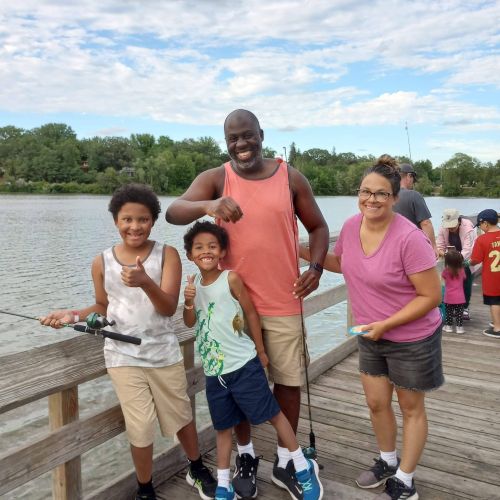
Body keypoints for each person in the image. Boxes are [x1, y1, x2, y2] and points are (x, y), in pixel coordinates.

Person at [165, 109, 329, 498]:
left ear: (261, 134)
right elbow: (172, 211)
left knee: (288, 384)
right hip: (232, 309)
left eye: (248, 136)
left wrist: (318, 267)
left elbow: (319, 227)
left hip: (284, 298)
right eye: (233, 138)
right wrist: (209, 205)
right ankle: (247, 455)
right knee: (238, 384)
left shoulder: (291, 177)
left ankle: (288, 464)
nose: (241, 145)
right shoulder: (217, 178)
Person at [40, 184, 216, 500]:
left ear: (153, 221)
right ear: (116, 221)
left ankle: (196, 467)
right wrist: (72, 315)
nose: (134, 226)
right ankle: (145, 489)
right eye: (127, 220)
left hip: (163, 352)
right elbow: (101, 306)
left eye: (143, 219)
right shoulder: (101, 261)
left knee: (180, 415)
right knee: (141, 424)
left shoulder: (168, 255)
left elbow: (166, 307)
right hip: (122, 356)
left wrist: (145, 281)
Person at [301, 155, 443, 500]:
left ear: (395, 198)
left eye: (381, 194)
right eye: (366, 192)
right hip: (370, 333)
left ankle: (406, 479)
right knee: (377, 403)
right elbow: (343, 263)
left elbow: (431, 294)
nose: (372, 200)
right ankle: (387, 460)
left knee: (411, 408)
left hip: (412, 337)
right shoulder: (351, 226)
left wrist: (387, 324)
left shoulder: (409, 238)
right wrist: (303, 252)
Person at [182, 221, 323, 500]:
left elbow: (251, 314)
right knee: (223, 427)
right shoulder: (193, 284)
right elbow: (189, 322)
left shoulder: (230, 278)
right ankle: (223, 486)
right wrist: (187, 302)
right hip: (215, 373)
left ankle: (302, 468)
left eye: (212, 246)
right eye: (198, 247)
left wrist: (261, 351)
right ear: (189, 255)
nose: (206, 251)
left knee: (272, 414)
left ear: (222, 251)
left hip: (243, 364)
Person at [436, 208, 477, 320]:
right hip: (450, 258)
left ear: (459, 221)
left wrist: (455, 258)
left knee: (466, 283)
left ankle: (465, 307)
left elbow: (468, 250)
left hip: (465, 259)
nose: (450, 228)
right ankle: (450, 306)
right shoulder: (442, 228)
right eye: (448, 226)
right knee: (449, 284)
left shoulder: (468, 228)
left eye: (453, 226)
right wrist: (442, 253)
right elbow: (439, 245)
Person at [393, 163, 438, 256]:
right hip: (413, 248)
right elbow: (426, 223)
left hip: (393, 248)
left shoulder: (387, 196)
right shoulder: (414, 195)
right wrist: (433, 247)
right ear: (409, 176)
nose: (413, 182)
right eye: (413, 178)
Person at [469, 209, 500, 339]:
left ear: (485, 223)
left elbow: (476, 260)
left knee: (495, 302)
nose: (480, 228)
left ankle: (497, 328)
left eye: (480, 225)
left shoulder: (482, 239)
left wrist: (467, 263)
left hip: (493, 278)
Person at [441, 249, 466, 334]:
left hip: (449, 297)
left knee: (449, 313)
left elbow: (443, 277)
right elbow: (464, 278)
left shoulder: (446, 271)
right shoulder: (462, 271)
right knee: (459, 314)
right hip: (460, 297)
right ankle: (459, 327)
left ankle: (449, 326)